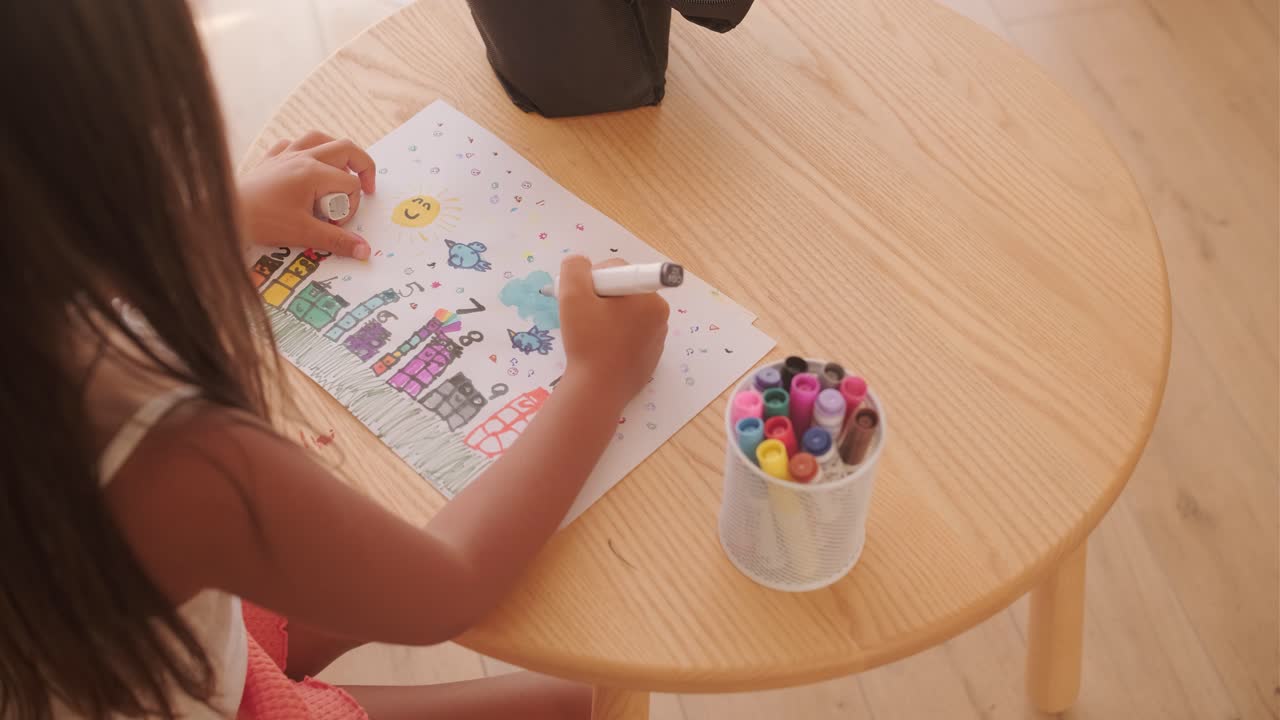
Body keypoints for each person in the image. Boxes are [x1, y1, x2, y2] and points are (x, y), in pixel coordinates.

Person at [0, 3, 669, 719]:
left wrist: (213, 220)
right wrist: (597, 381)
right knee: (581, 699)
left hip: (92, 642)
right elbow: (444, 592)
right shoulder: (170, 460)